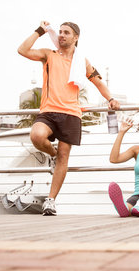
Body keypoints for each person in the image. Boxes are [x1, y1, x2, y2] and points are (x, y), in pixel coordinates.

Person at [18, 21, 120, 216]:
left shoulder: (82, 61)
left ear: (76, 38)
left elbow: (98, 82)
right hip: (48, 111)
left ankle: (50, 201)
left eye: (67, 33)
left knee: (65, 156)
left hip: (71, 113)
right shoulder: (49, 55)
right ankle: (52, 154)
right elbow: (22, 50)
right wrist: (41, 30)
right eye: (60, 32)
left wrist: (111, 99)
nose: (62, 35)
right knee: (37, 136)